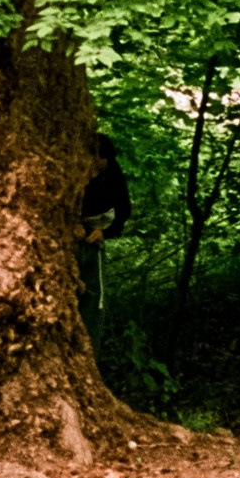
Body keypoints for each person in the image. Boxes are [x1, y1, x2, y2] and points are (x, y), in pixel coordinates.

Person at [77, 133, 131, 346]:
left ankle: (89, 346)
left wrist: (105, 232)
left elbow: (123, 209)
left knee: (94, 295)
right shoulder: (75, 169)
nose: (96, 164)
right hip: (68, 235)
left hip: (94, 237)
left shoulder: (112, 173)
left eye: (101, 159)